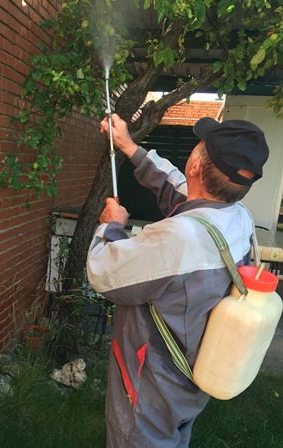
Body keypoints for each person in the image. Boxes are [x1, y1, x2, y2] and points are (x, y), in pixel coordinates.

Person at [86, 114, 269, 448]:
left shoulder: (179, 239)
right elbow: (176, 187)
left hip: (151, 384)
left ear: (196, 165)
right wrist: (129, 146)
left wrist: (111, 226)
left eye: (199, 145)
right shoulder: (236, 217)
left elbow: (103, 272)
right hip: (192, 376)